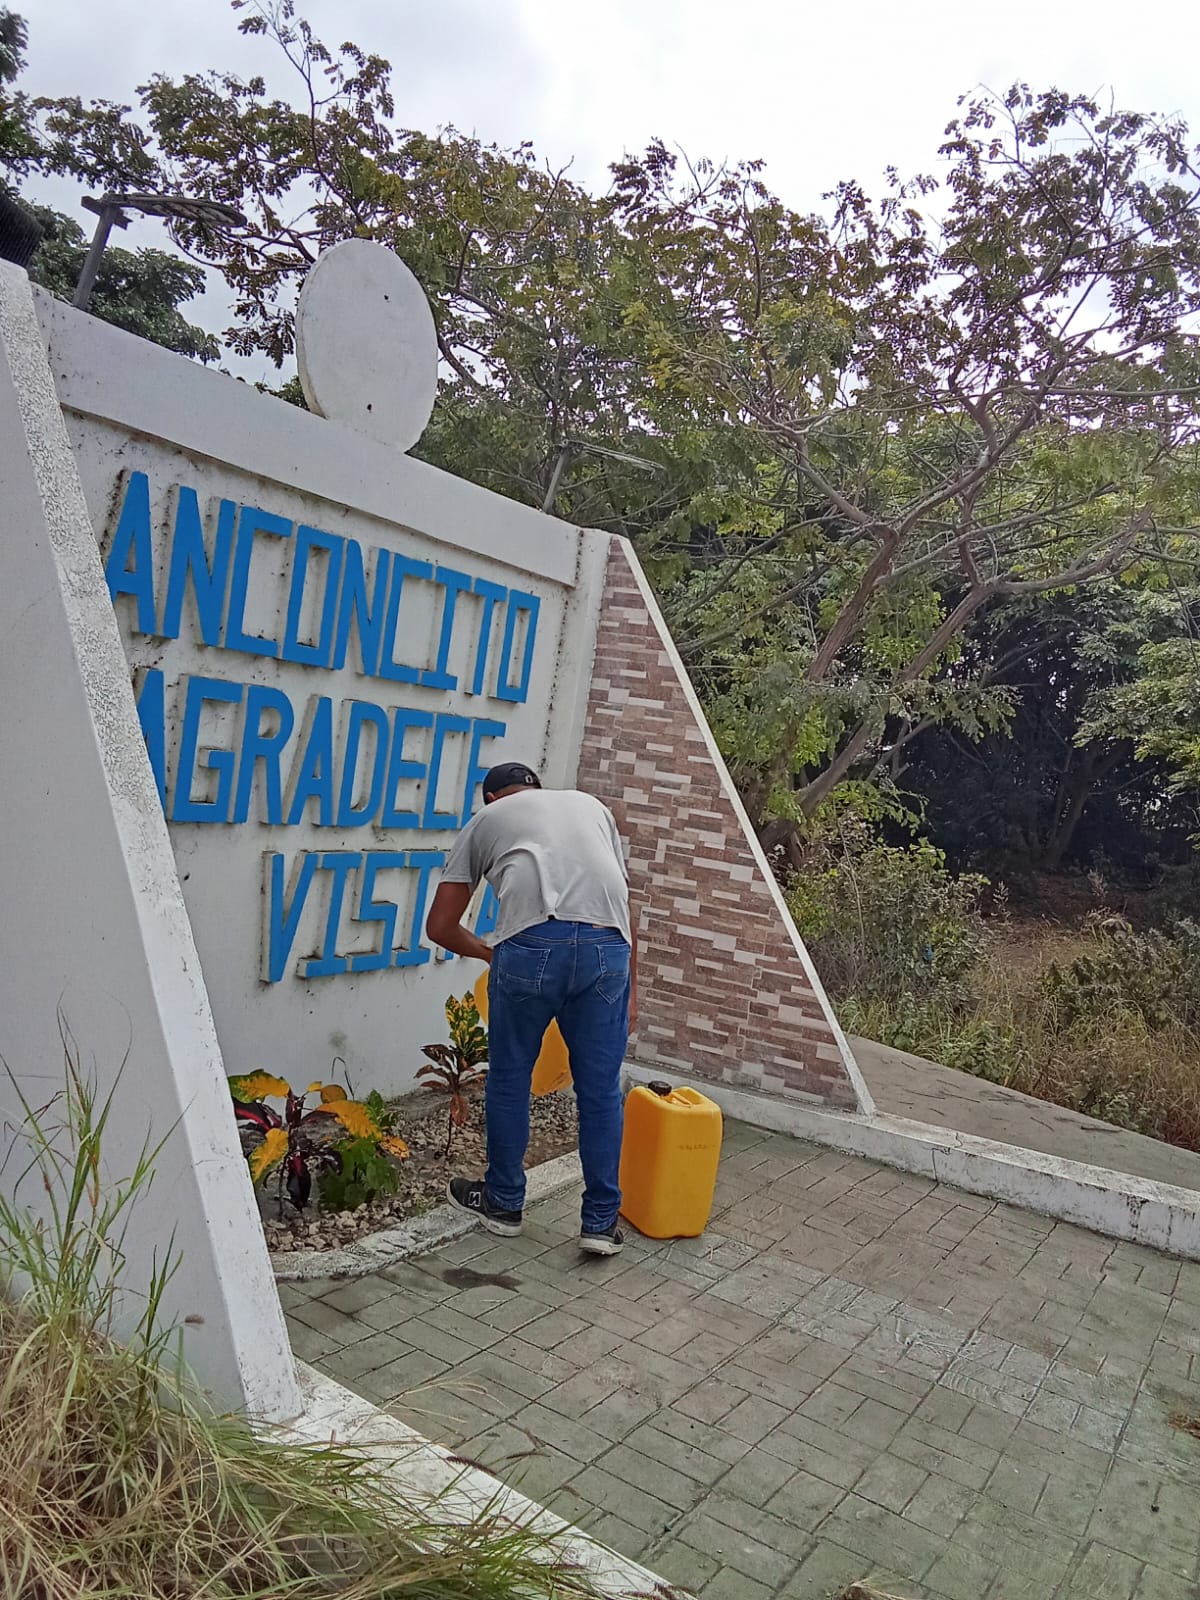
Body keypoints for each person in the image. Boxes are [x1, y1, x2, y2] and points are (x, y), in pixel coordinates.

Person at [425, 761, 637, 1256]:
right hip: (609, 950)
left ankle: (503, 1203)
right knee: (601, 1092)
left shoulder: (488, 818)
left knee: (510, 1078)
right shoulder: (592, 807)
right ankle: (600, 1224)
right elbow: (622, 906)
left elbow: (440, 926)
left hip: (532, 944)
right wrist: (633, 992)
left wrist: (489, 953)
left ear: (491, 797)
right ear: (537, 788)